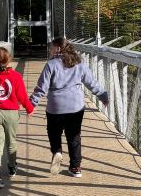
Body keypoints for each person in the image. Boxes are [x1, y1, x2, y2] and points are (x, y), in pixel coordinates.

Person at [29, 37, 108, 178]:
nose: (49, 49)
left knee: (53, 132)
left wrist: (32, 103)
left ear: (58, 48)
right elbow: (91, 83)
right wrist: (102, 96)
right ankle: (75, 167)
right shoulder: (79, 64)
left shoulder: (51, 65)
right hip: (75, 107)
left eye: (51, 47)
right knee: (74, 136)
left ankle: (57, 151)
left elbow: (42, 88)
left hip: (55, 107)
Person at [0, 47, 34, 189]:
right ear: (9, 59)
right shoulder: (16, 76)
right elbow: (22, 95)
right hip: (11, 112)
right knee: (11, 142)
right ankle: (12, 167)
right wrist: (29, 108)